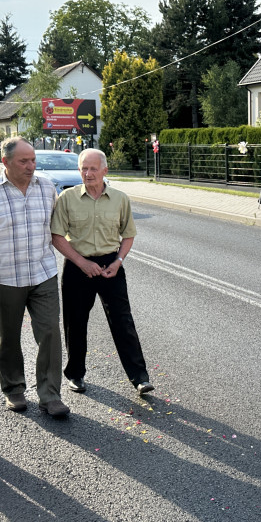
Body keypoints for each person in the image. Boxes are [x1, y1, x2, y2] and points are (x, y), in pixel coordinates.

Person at [0, 137, 70, 418]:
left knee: (50, 332)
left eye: (33, 160)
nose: (30, 166)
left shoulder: (47, 187)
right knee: (9, 336)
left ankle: (50, 395)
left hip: (43, 274)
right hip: (5, 277)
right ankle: (14, 389)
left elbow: (55, 228)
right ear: (5, 162)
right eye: (23, 161)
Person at [50, 148, 154, 396]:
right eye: (83, 168)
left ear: (105, 171)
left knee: (122, 321)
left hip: (111, 265)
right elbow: (56, 236)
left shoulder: (120, 199)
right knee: (75, 322)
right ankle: (75, 374)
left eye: (93, 168)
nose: (87, 173)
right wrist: (81, 262)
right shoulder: (67, 198)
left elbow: (128, 235)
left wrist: (118, 260)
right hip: (77, 265)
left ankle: (140, 377)